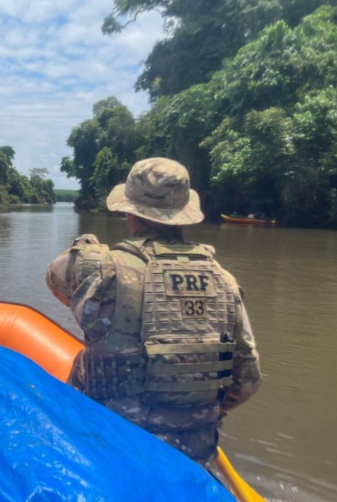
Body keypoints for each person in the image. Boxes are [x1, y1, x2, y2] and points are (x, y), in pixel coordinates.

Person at [46, 158, 261, 464]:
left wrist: (85, 247)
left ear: (129, 212)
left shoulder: (99, 265)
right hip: (194, 452)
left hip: (115, 447)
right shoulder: (223, 280)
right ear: (184, 215)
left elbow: (54, 279)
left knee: (85, 359)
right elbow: (247, 380)